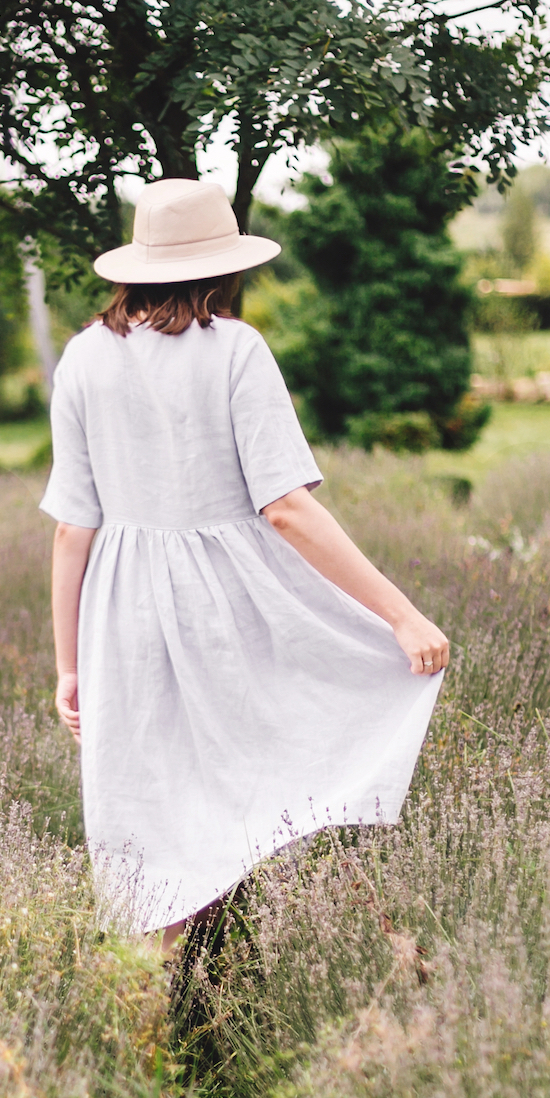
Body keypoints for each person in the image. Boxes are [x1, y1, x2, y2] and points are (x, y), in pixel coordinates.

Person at [43, 177, 450, 953]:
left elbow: (73, 529)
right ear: (224, 266)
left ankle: (161, 1022)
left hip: (118, 614)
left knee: (153, 819)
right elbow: (286, 509)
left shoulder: (84, 358)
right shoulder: (235, 348)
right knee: (258, 781)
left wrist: (68, 664)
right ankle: (257, 980)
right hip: (229, 607)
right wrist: (400, 614)